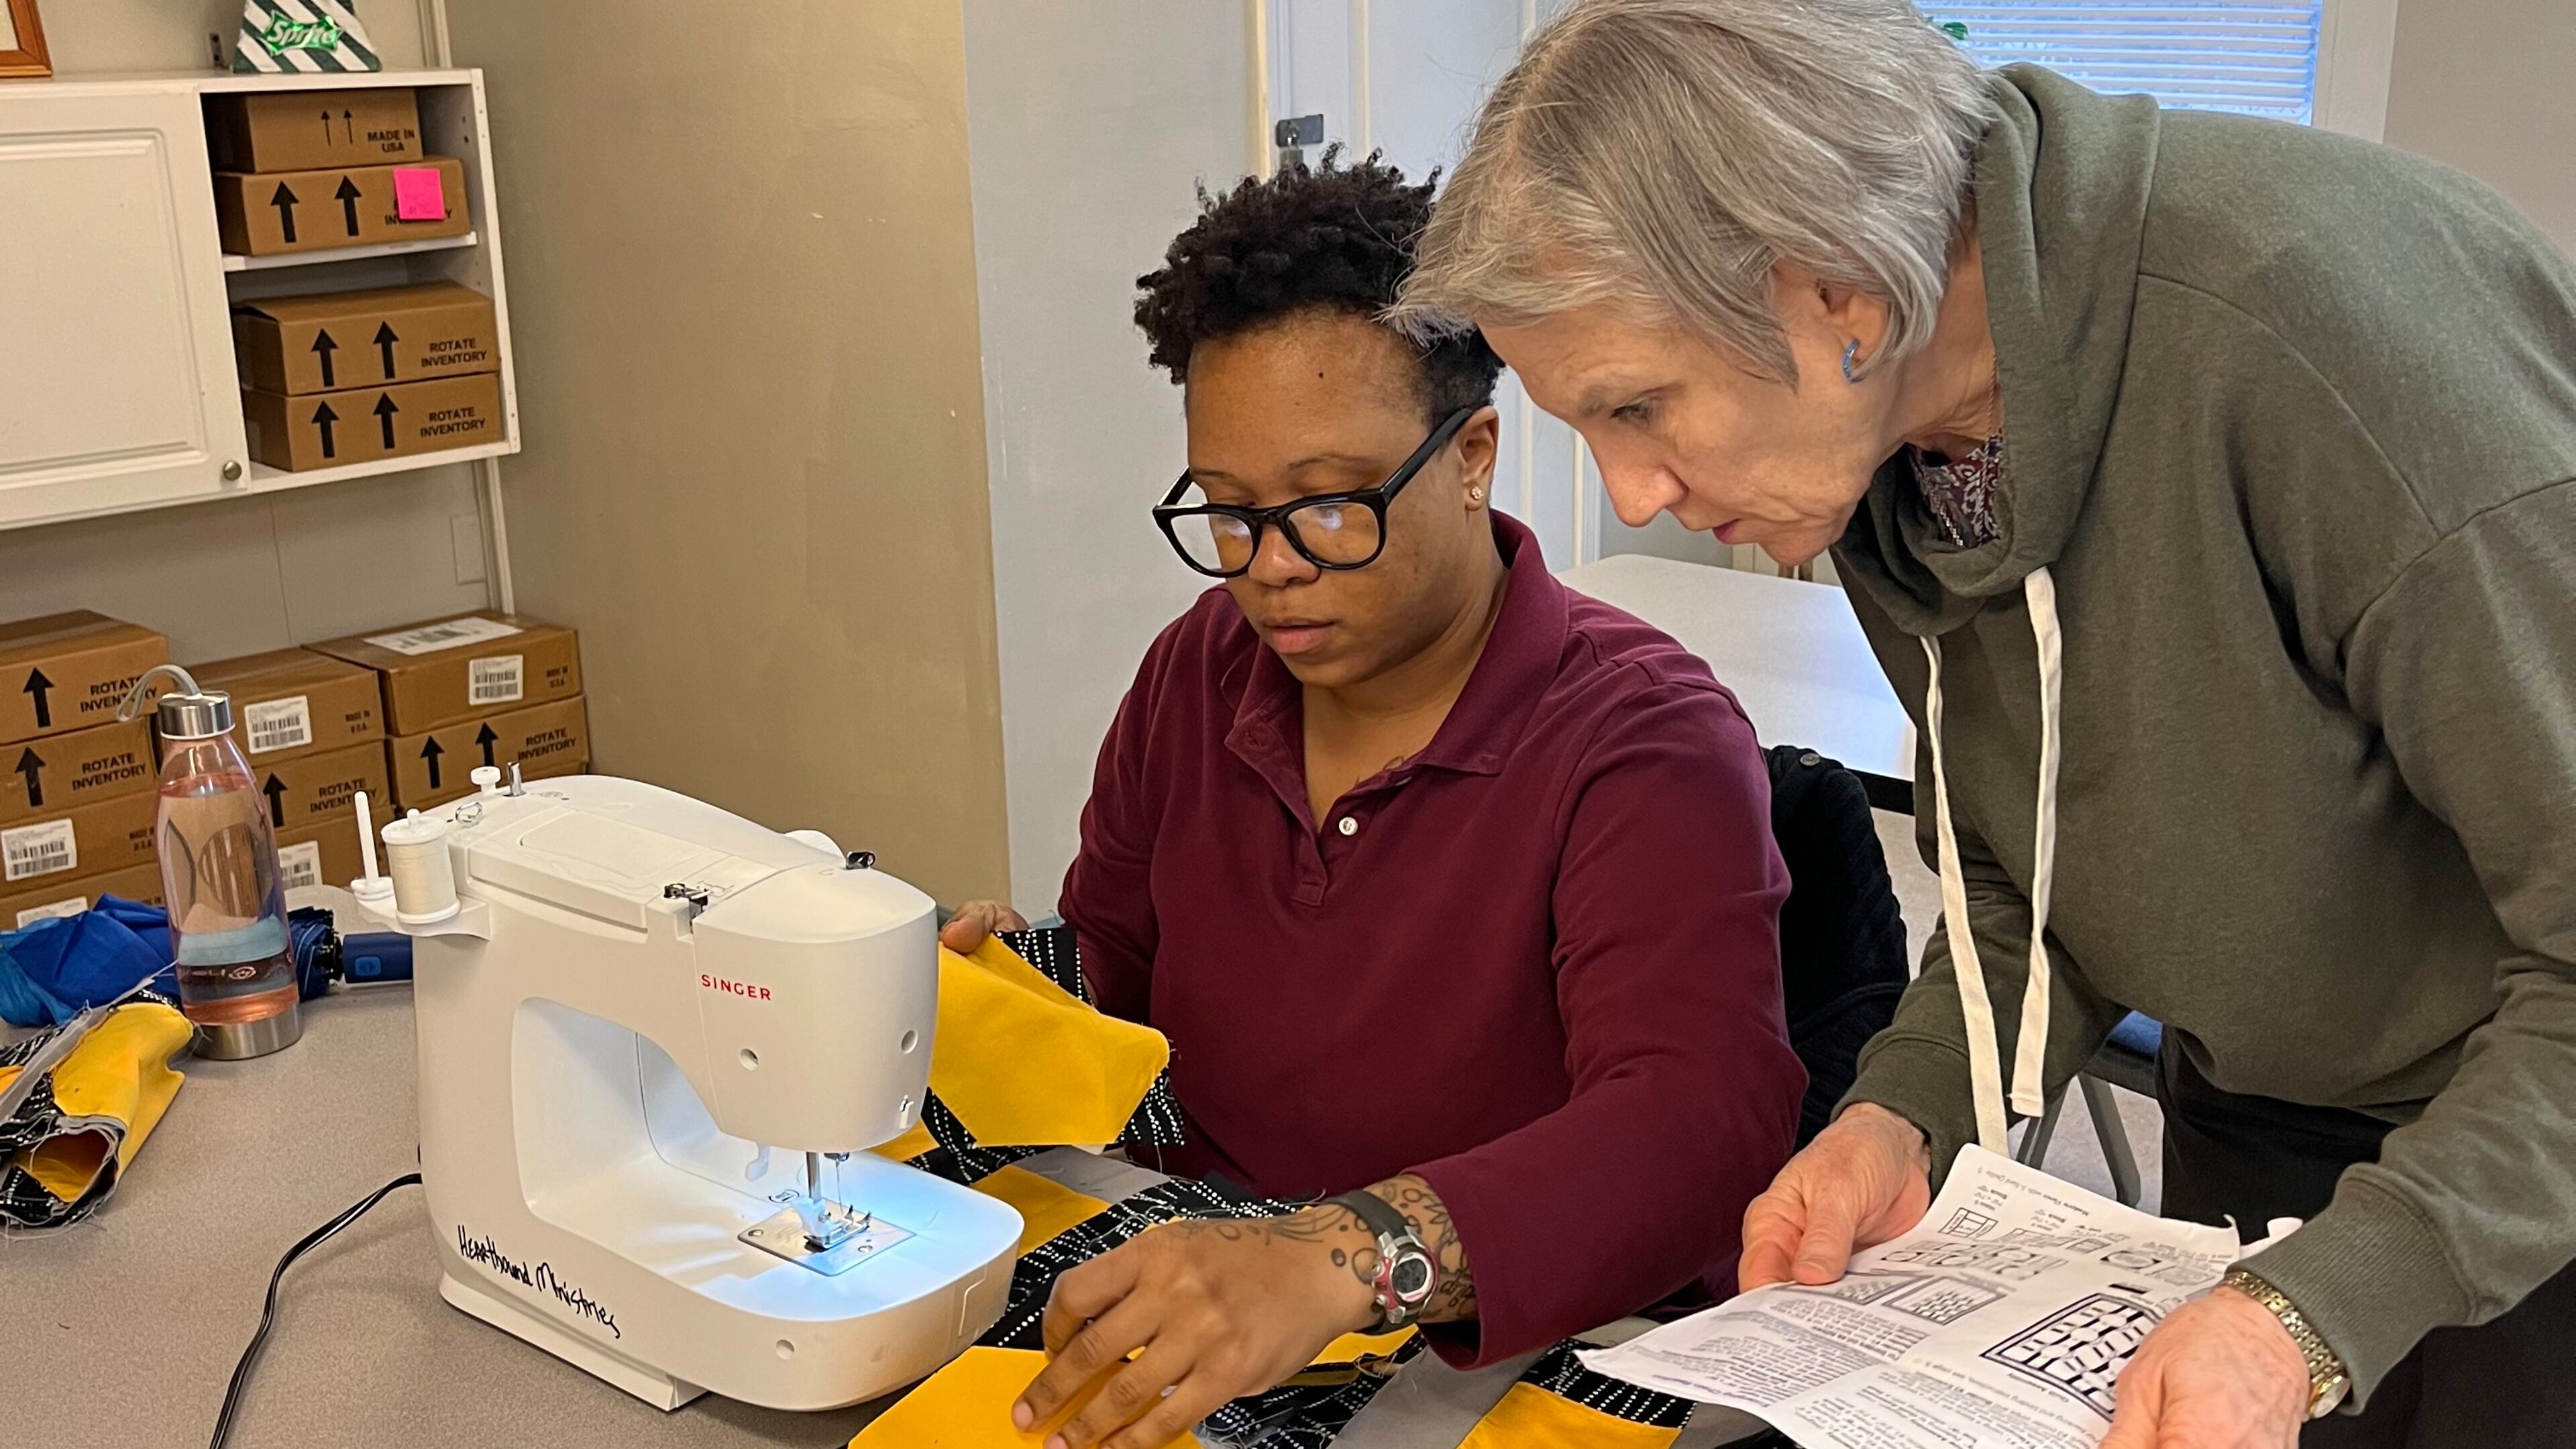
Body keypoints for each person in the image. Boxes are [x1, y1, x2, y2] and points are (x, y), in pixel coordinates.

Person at [1392, 1, 2576, 1445]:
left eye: (1640, 408)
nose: (1632, 495)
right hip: (2264, 1114)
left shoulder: (2318, 339)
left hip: (2529, 1163)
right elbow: (2035, 864)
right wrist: (1908, 1114)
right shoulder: (1896, 441)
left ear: (1838, 291)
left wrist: (2324, 1307)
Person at [941, 152, 1805, 1449]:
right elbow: (1121, 975)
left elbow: (1697, 1125)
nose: (1272, 570)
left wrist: (1339, 1255)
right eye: (1228, 513)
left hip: (1532, 1355)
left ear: (1470, 457)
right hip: (1224, 1301)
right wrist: (1019, 982)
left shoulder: (1641, 742)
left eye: (1330, 507)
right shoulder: (1199, 668)